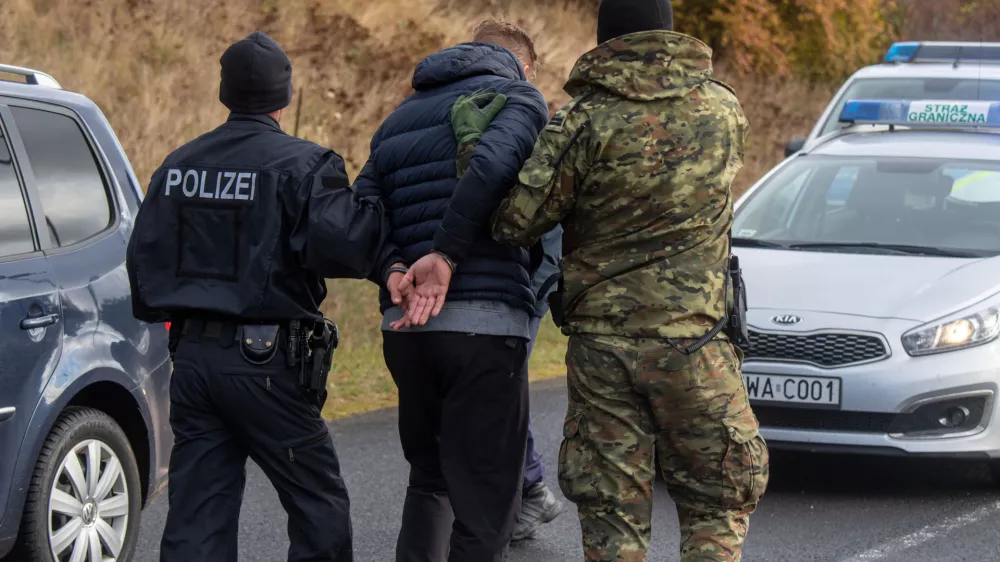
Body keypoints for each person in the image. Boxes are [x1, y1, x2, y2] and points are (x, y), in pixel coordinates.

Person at [490, 1, 770, 561]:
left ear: (603, 38)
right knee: (716, 504)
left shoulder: (582, 120)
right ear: (670, 32)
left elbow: (515, 222)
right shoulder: (723, 110)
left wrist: (481, 153)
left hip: (605, 351)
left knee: (612, 516)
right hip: (698, 344)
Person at [126, 31, 398, 562]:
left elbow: (143, 260)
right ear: (285, 96)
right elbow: (346, 246)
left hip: (194, 360)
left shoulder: (179, 164)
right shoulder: (304, 164)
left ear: (225, 92)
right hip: (266, 362)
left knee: (197, 513)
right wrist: (373, 200)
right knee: (317, 502)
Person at [355, 17, 549, 562]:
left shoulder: (398, 118)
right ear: (524, 65)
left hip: (406, 329)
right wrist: (444, 254)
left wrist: (392, 268)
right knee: (487, 499)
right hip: (484, 326)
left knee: (429, 481)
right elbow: (490, 165)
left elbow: (361, 210)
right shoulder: (521, 98)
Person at [511, 224, 565, 542]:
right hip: (515, 281)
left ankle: (532, 490)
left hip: (527, 285)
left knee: (504, 389)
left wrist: (535, 292)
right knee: (502, 387)